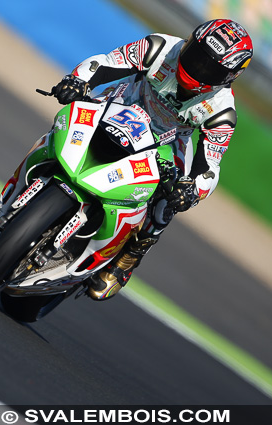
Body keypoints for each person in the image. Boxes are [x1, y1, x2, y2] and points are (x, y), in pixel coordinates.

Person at [51, 19, 254, 300]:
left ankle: (130, 256)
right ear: (189, 41)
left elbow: (210, 165)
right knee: (71, 115)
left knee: (168, 202)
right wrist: (78, 80)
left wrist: (191, 190)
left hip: (166, 145)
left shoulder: (222, 112)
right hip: (121, 105)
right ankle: (46, 167)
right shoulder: (159, 47)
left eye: (211, 68)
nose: (198, 68)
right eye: (196, 55)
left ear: (230, 77)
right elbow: (106, 62)